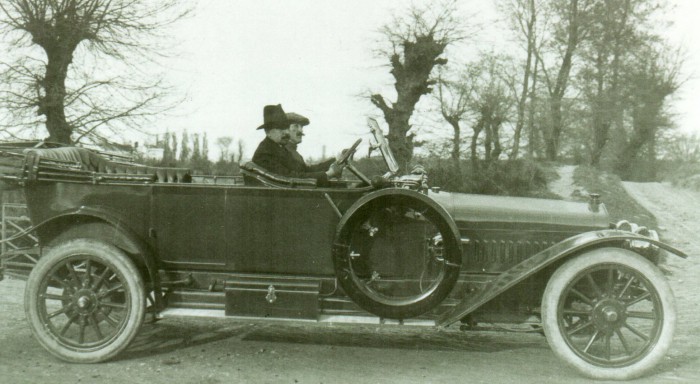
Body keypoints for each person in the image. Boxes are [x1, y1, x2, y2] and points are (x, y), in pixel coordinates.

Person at [252, 104, 342, 186]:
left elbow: (304, 170)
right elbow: (288, 177)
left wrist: (334, 162)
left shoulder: (279, 148)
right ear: (268, 132)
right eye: (281, 128)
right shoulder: (265, 152)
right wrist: (328, 174)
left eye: (286, 127)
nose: (286, 132)